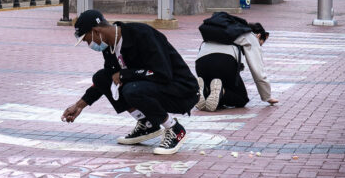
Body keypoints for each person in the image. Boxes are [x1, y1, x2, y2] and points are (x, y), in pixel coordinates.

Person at [61, 10, 200, 155]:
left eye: (87, 39)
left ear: (96, 31)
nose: (88, 44)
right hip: (154, 87)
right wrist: (79, 106)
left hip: (182, 90)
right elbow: (107, 78)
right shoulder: (110, 47)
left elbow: (162, 74)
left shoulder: (141, 34)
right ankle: (147, 123)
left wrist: (125, 74)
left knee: (132, 89)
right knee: (101, 77)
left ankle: (174, 129)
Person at [195, 22, 278, 111]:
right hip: (224, 63)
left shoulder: (225, 30)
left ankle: (205, 91)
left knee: (217, 85)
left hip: (200, 64)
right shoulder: (251, 37)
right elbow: (257, 70)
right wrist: (267, 96)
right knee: (241, 98)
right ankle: (222, 92)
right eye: (261, 43)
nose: (260, 46)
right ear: (258, 35)